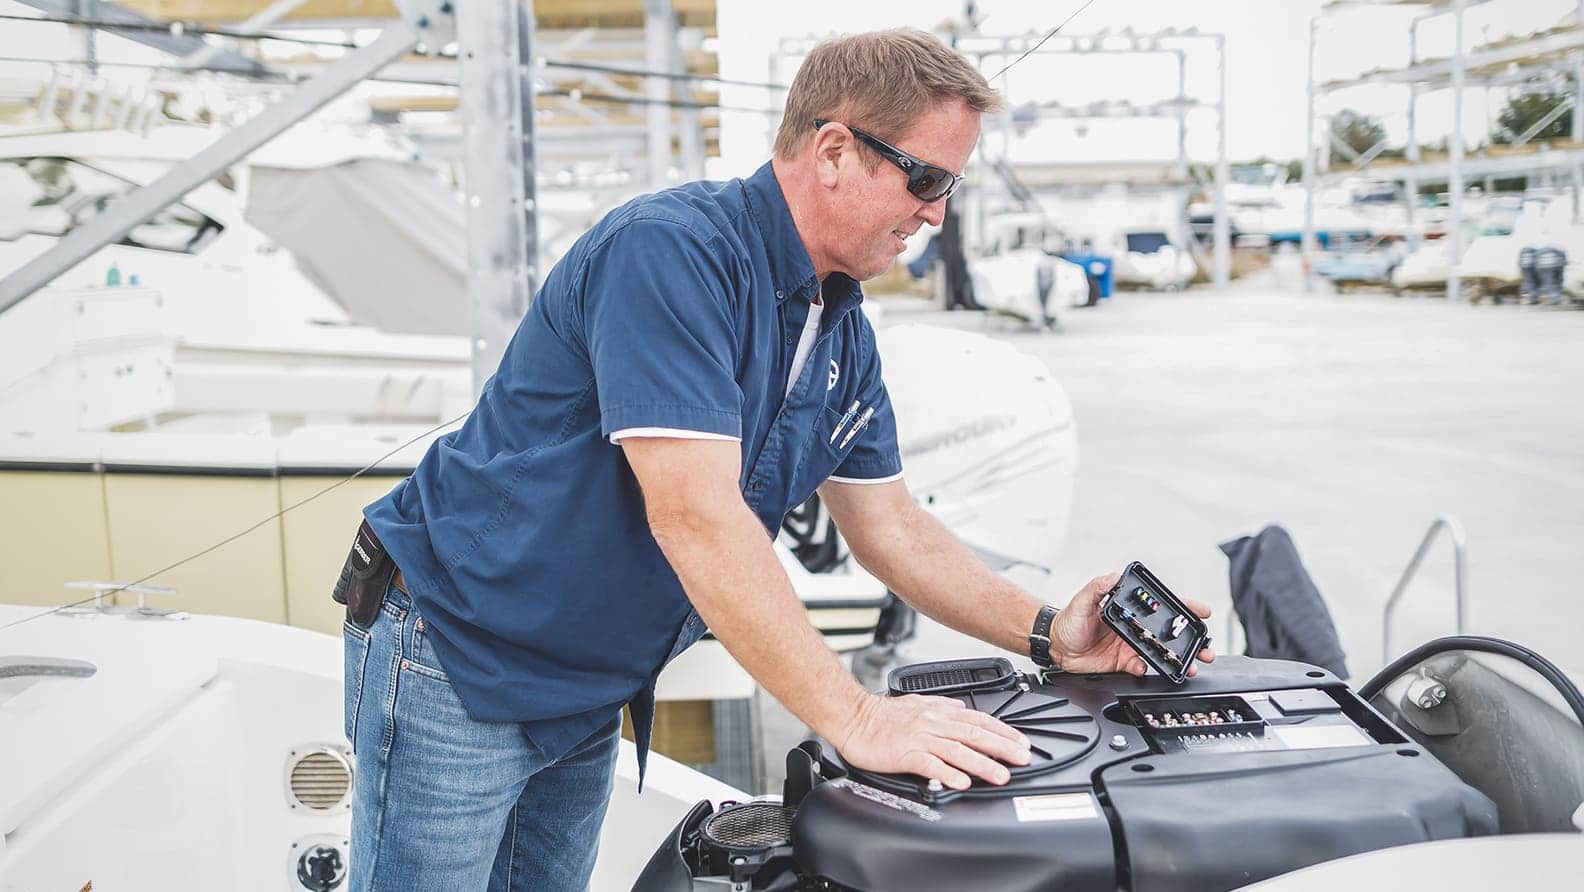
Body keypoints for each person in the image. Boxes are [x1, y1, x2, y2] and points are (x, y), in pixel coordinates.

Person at [337, 27, 1214, 891]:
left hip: (586, 681)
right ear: (834, 150)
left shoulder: (840, 327)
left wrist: (1051, 629)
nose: (937, 212)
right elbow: (694, 514)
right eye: (928, 177)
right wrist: (857, 717)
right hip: (457, 654)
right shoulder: (671, 251)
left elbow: (891, 528)